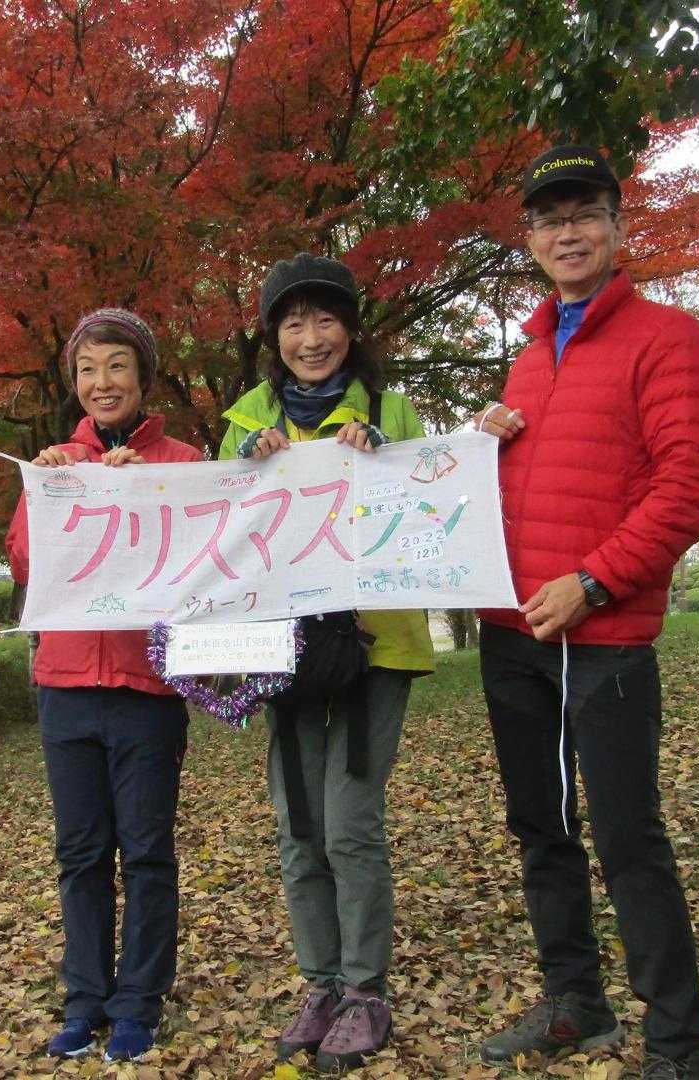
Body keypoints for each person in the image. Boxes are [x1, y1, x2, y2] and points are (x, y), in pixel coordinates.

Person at [470, 147, 699, 1080]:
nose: (567, 233)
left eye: (584, 214)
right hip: (513, 637)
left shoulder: (668, 338)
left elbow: (689, 485)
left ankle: (676, 1044)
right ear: (531, 239)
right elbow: (533, 488)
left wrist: (597, 581)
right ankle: (577, 1004)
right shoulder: (530, 356)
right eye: (549, 220)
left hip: (604, 639)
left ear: (617, 227)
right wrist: (484, 443)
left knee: (627, 840)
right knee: (542, 831)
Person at [216, 253, 435, 1073]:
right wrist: (249, 464)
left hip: (378, 643)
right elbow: (224, 527)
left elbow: (430, 509)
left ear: (351, 329)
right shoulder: (244, 421)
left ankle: (364, 989)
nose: (311, 338)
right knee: (299, 824)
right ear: (274, 336)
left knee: (350, 821)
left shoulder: (393, 409)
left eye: (326, 319)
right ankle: (320, 983)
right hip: (285, 648)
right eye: (293, 322)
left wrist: (382, 457)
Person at [5, 309, 203, 1064]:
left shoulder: (183, 461)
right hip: (65, 685)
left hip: (147, 687)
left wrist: (141, 492)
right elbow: (26, 563)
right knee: (80, 852)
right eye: (87, 369)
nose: (102, 382)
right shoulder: (57, 463)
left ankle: (138, 1002)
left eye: (118, 365)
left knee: (146, 851)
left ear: (144, 377)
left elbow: (204, 558)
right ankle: (84, 999)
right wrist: (53, 490)